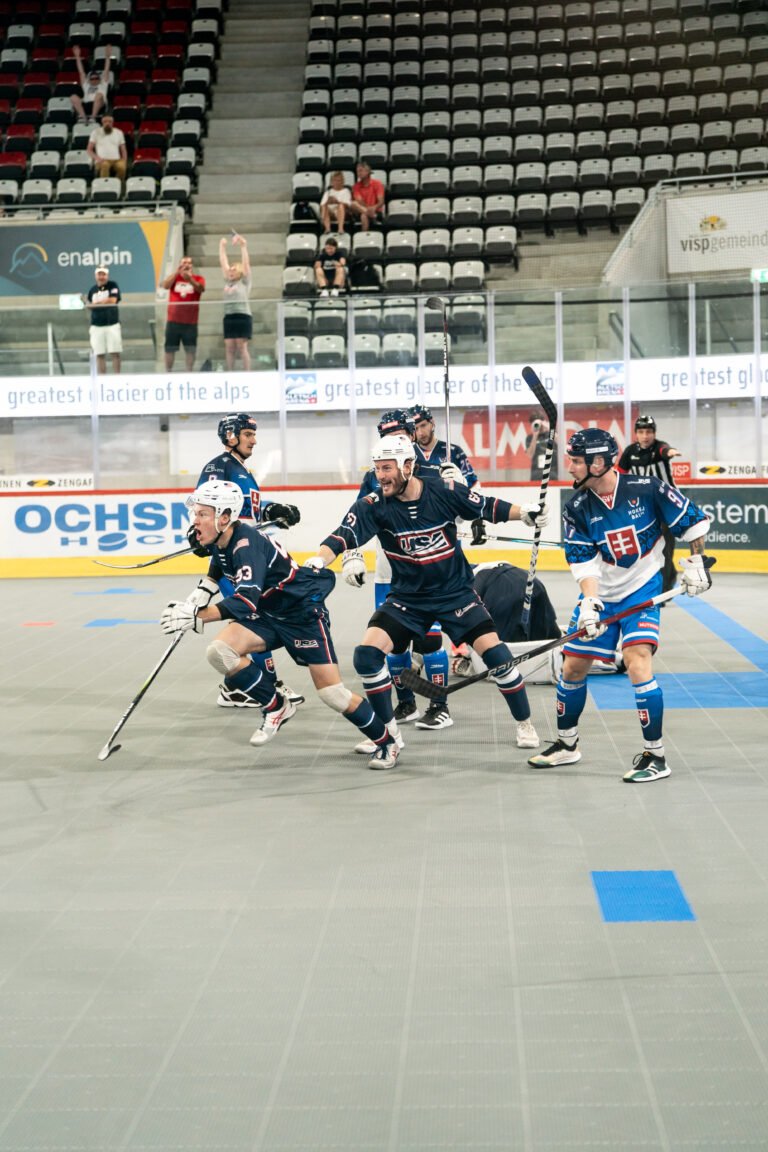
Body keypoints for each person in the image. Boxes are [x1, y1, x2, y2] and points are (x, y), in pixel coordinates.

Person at [305, 434, 549, 769]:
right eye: (377, 469)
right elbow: (341, 535)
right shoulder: (373, 505)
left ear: (408, 466)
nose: (381, 476)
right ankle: (389, 736)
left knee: (498, 657)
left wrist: (525, 513)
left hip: (455, 594)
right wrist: (320, 559)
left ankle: (525, 722)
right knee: (366, 655)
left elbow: (486, 506)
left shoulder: (442, 490)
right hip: (407, 599)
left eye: (387, 468)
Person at [162, 479, 400, 766]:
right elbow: (220, 560)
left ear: (224, 517)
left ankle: (387, 742)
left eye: (202, 514)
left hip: (301, 615)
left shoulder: (246, 546)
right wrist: (207, 586)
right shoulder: (223, 538)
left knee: (332, 694)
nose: (195, 521)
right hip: (269, 614)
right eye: (195, 513)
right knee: (219, 652)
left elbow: (244, 602)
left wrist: (196, 616)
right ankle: (276, 706)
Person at [528, 427, 712, 783]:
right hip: (604, 595)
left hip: (643, 591)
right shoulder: (577, 507)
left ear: (599, 462)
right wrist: (591, 602)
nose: (570, 467)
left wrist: (698, 563)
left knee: (637, 663)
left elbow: (693, 522)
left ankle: (656, 756)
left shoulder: (647, 489)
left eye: (577, 461)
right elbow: (583, 563)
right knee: (573, 667)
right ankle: (567, 746)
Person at [194, 412, 303, 711]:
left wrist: (272, 510)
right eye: (248, 434)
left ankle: (234, 688)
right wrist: (199, 535)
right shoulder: (219, 467)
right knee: (251, 620)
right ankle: (267, 686)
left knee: (251, 620)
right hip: (234, 558)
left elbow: (245, 510)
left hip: (251, 555)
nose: (254, 440)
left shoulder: (241, 468)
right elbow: (208, 506)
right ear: (231, 436)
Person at [617, 414, 682, 594]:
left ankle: (663, 590)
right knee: (647, 550)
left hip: (666, 506)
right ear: (636, 434)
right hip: (644, 508)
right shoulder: (630, 452)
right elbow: (619, 475)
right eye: (641, 432)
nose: (645, 436)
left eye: (649, 432)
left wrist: (671, 452)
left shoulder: (659, 448)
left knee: (666, 550)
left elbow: (665, 450)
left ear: (654, 433)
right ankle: (664, 578)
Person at [160, 256, 206, 371]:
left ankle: (189, 372)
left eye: (189, 263)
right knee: (169, 349)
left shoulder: (198, 278)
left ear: (192, 266)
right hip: (173, 321)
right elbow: (165, 285)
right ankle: (168, 372)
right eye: (184, 262)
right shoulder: (175, 278)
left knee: (190, 350)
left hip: (190, 322)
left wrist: (190, 279)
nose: (186, 265)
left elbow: (201, 289)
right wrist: (177, 272)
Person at [219, 234, 253, 371]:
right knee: (229, 346)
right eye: (230, 270)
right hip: (229, 316)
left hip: (242, 315)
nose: (230, 271)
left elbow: (246, 264)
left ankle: (247, 373)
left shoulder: (244, 281)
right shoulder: (227, 281)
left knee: (241, 346)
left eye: (233, 270)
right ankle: (231, 372)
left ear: (239, 272)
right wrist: (222, 246)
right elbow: (223, 261)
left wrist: (243, 246)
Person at [83, 265, 121, 375]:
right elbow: (89, 306)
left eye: (103, 274)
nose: (101, 277)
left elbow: (113, 300)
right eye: (99, 274)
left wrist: (95, 304)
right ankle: (102, 378)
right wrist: (94, 304)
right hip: (96, 325)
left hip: (112, 324)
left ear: (107, 275)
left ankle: (117, 377)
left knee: (115, 352)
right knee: (99, 353)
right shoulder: (92, 290)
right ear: (96, 276)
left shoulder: (113, 285)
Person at [70, 45, 112, 124]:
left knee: (99, 95)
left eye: (96, 78)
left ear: (99, 79)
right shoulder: (86, 85)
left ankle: (93, 117)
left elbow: (106, 70)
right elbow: (81, 72)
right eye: (92, 79)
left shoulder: (103, 84)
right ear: (89, 80)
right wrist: (77, 56)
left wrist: (107, 56)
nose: (94, 80)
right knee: (73, 97)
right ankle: (83, 117)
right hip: (86, 105)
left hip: (100, 105)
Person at [87, 113, 127, 184]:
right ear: (102, 122)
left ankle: (116, 184)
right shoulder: (96, 132)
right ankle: (104, 185)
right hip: (102, 160)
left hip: (116, 160)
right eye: (105, 121)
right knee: (104, 165)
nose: (107, 123)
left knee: (122, 167)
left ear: (112, 122)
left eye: (110, 122)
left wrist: (124, 160)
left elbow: (123, 149)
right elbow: (89, 150)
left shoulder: (119, 132)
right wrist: (97, 159)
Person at [349, 161, 385, 232]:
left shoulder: (377, 184)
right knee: (353, 204)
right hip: (362, 210)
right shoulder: (356, 186)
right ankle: (371, 215)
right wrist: (368, 209)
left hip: (375, 211)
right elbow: (359, 201)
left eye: (361, 171)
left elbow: (381, 201)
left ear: (367, 171)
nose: (359, 173)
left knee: (364, 216)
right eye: (358, 171)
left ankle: (363, 238)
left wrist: (374, 207)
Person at [525, 412, 558, 483]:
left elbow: (562, 445)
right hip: (536, 473)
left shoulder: (552, 434)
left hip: (552, 471)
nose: (539, 426)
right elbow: (529, 455)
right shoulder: (530, 438)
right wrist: (535, 435)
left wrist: (549, 428)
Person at [320, 170, 351, 235]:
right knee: (325, 206)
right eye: (335, 180)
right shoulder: (328, 192)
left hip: (342, 212)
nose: (337, 182)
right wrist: (328, 202)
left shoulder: (346, 191)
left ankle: (340, 228)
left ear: (342, 181)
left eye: (339, 180)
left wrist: (337, 201)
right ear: (332, 182)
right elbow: (322, 205)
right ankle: (327, 228)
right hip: (330, 213)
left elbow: (348, 205)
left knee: (341, 205)